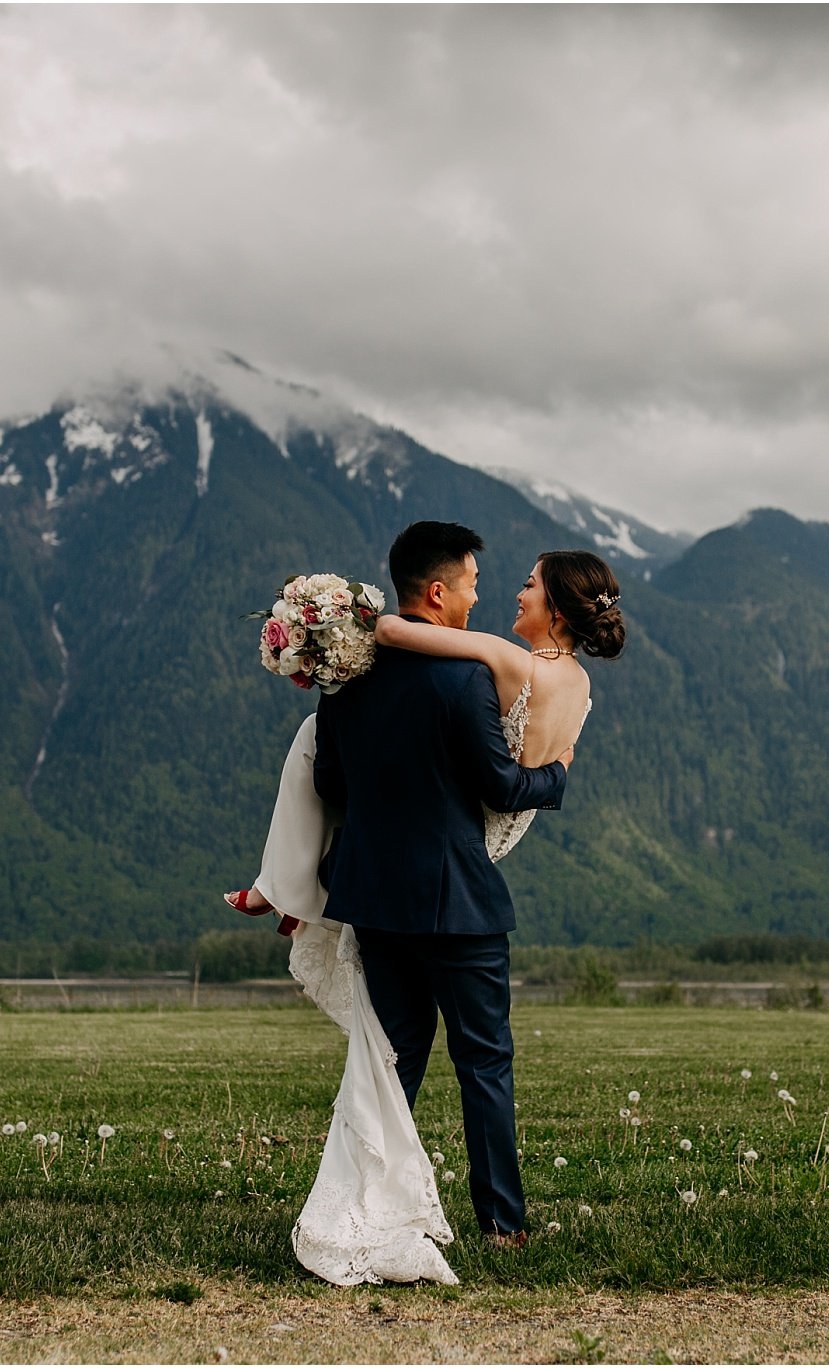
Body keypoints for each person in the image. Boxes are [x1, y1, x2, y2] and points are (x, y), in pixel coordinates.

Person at [226, 522, 624, 1283]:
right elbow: (500, 787)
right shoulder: (471, 677)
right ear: (439, 591)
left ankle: (368, 1202)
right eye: (475, 582)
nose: (488, 592)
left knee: (392, 1058)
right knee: (484, 1064)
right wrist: (559, 776)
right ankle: (502, 1225)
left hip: (374, 896)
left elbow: (331, 786)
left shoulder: (348, 682)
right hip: (458, 901)